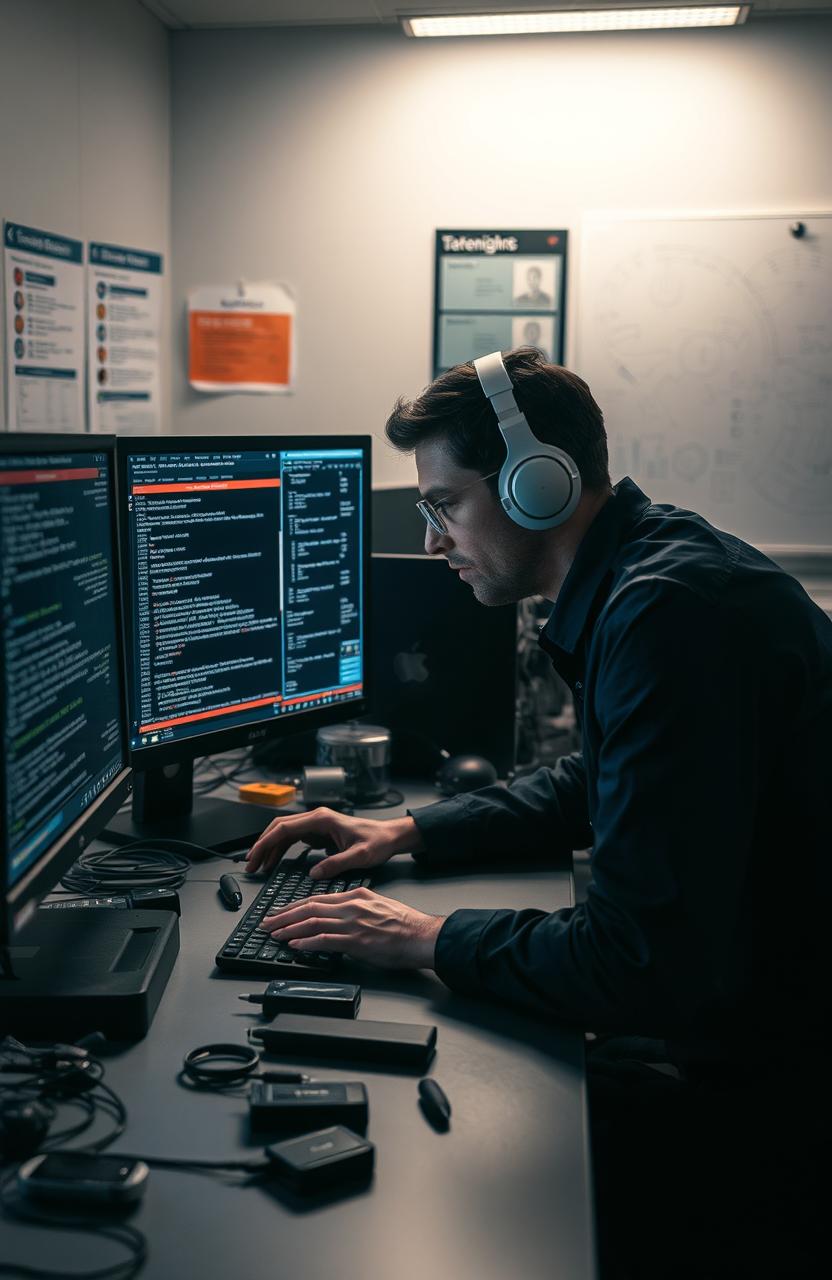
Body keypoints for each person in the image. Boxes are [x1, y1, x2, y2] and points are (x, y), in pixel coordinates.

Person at [247, 347, 830, 1277]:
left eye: (442, 505)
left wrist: (419, 938)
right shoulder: (650, 572)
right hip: (753, 1019)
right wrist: (408, 830)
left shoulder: (671, 619)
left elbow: (634, 963)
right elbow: (594, 782)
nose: (432, 538)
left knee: (465, 1172)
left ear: (537, 484)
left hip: (778, 1092)